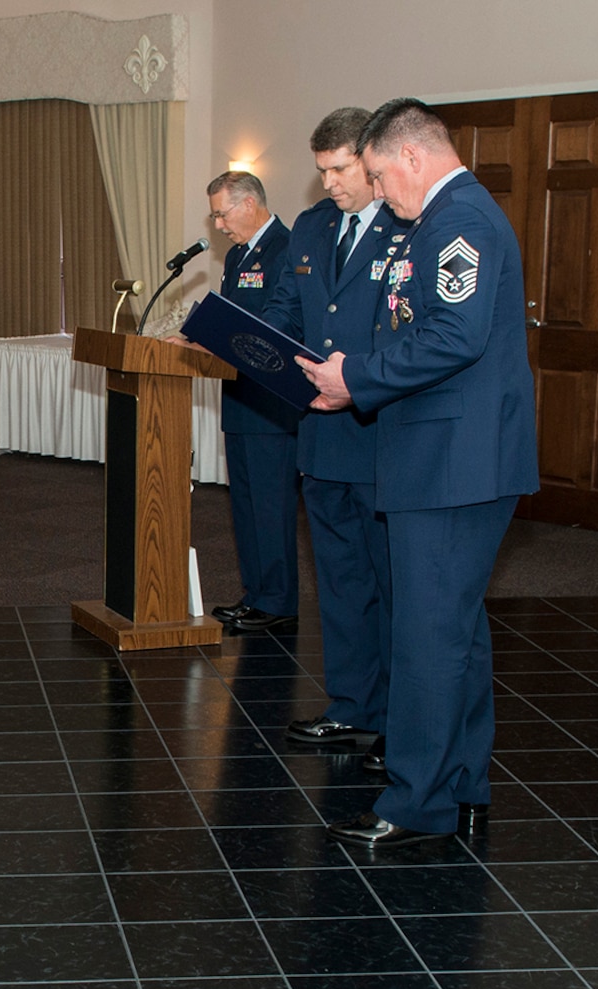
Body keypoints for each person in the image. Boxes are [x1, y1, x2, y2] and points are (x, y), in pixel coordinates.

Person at [299, 97, 538, 847]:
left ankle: (415, 802)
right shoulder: (434, 221)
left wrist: (356, 378)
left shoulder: (458, 219)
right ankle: (462, 784)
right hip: (444, 456)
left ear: (410, 157)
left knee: (427, 637)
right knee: (455, 635)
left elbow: (452, 336)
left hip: (453, 462)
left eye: (374, 173)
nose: (375, 189)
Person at [262, 107, 396, 755]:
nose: (331, 183)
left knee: (392, 583)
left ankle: (400, 719)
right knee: (340, 582)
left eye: (341, 169)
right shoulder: (312, 228)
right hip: (319, 435)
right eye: (322, 172)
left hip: (380, 435)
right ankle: (352, 704)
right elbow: (287, 311)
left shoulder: (407, 227)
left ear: (371, 160)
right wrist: (241, 338)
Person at [206, 169, 302, 631]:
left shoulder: (285, 249)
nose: (219, 225)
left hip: (271, 401)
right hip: (240, 394)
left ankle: (279, 599)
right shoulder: (238, 255)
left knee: (271, 503)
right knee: (243, 501)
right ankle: (256, 593)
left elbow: (279, 324)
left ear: (248, 204)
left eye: (222, 214)